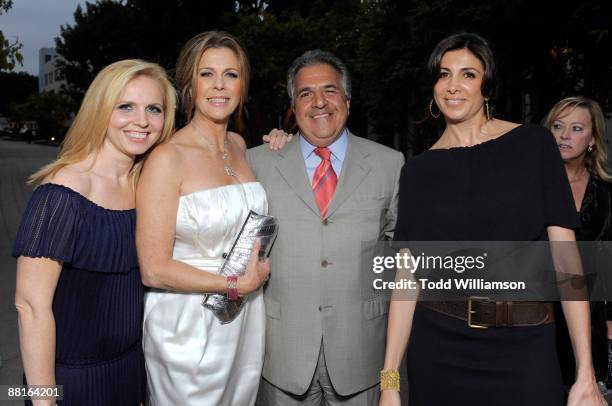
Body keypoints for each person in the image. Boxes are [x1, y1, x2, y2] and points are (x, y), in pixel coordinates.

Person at [379, 33, 606, 406]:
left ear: (488, 85)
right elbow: (408, 277)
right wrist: (389, 382)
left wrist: (586, 373)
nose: (453, 86)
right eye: (443, 74)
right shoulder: (417, 171)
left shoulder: (533, 146)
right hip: (438, 349)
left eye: (468, 74)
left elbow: (566, 258)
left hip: (525, 346)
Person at [13, 59, 176, 406]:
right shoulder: (62, 193)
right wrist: (43, 400)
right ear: (100, 109)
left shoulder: (146, 186)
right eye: (126, 106)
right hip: (72, 382)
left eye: (154, 109)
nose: (142, 121)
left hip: (131, 372)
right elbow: (30, 306)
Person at [249, 49, 405, 405]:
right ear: (293, 106)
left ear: (348, 100)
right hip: (281, 357)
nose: (319, 102)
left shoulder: (390, 164)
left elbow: (403, 271)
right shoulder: (258, 162)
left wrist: (391, 375)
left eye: (330, 90)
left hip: (363, 358)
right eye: (305, 93)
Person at [136, 31, 270, 405]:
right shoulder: (167, 158)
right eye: (206, 73)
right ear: (188, 85)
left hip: (245, 319)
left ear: (243, 85)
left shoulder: (241, 147)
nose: (219, 85)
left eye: (231, 74)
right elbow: (153, 269)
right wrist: (234, 285)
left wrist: (286, 142)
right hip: (188, 325)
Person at [542, 96, 612, 390]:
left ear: (593, 139)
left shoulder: (607, 194)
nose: (564, 136)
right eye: (557, 126)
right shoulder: (531, 186)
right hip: (538, 316)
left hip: (590, 317)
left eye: (576, 128)